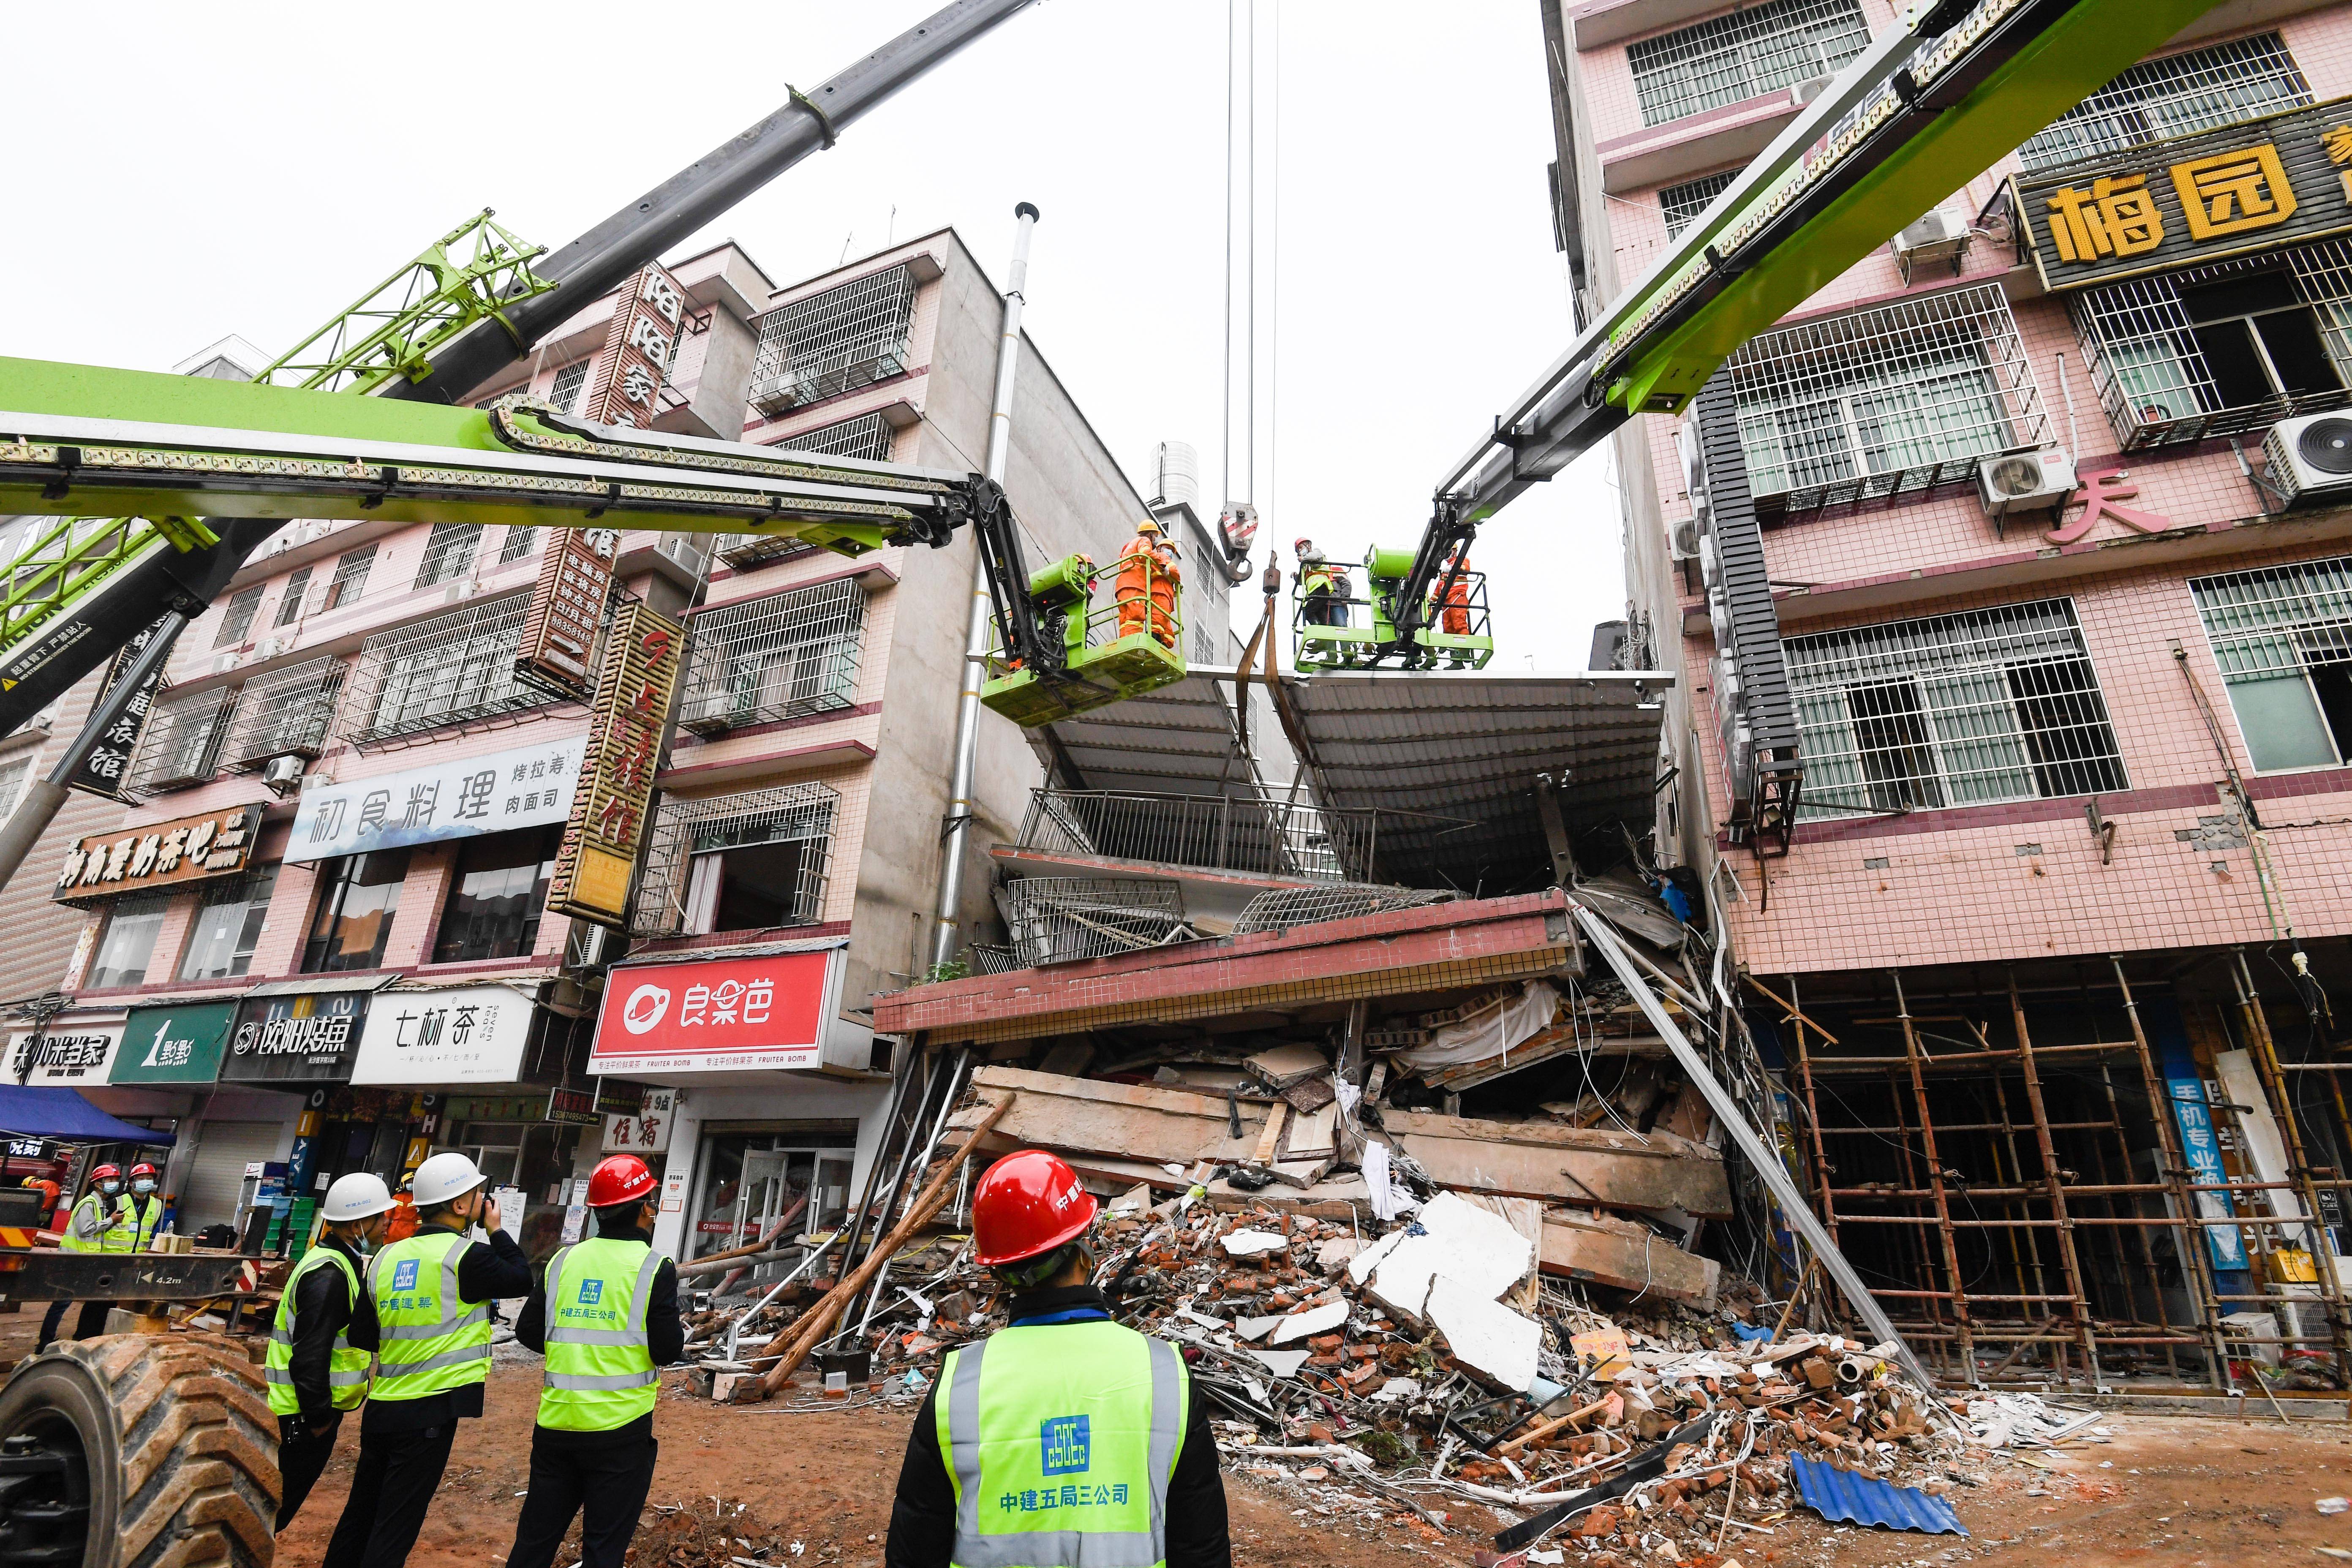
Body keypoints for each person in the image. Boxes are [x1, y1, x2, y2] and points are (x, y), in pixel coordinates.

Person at [884, 1150, 1231, 1568]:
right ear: (1085, 1249)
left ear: (999, 1272)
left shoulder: (961, 1385)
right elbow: (1201, 1548)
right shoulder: (1163, 1374)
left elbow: (915, 1549)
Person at [321, 1152, 532, 1568]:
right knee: (395, 1527)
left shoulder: (385, 1258)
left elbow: (364, 1335)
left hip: (383, 1409)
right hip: (429, 1414)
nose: (481, 1200)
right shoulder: (465, 1256)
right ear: (459, 1205)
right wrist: (496, 1229)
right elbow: (521, 1276)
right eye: (476, 1194)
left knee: (360, 1516)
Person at [503, 1154, 683, 1568]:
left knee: (533, 1544)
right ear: (642, 1209)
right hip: (620, 1431)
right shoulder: (655, 1267)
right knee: (603, 1550)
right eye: (651, 1203)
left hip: (556, 1425)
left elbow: (529, 1331)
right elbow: (667, 1349)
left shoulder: (563, 1260)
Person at [271, 1172, 394, 1532]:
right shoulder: (330, 1275)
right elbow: (310, 1354)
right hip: (302, 1417)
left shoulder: (337, 1262)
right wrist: (320, 1418)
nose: (388, 1223)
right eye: (381, 1216)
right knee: (274, 1510)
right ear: (358, 1223)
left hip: (302, 1412)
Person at [38, 1162, 124, 1351]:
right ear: (98, 1184)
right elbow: (86, 1231)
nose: (113, 1183)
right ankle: (44, 1343)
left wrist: (110, 1222)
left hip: (83, 1262)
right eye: (109, 1180)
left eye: (115, 1180)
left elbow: (95, 1233)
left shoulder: (99, 1204)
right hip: (73, 1261)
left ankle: (58, 1339)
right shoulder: (89, 1203)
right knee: (62, 1303)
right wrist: (111, 1220)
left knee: (66, 1302)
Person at [1113, 518, 1181, 649]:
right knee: (1136, 615)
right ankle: (1133, 645)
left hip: (1123, 585)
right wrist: (1162, 565)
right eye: (1155, 536)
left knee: (1126, 618)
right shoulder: (1144, 541)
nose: (1155, 539)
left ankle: (1125, 643)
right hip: (1136, 584)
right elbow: (1146, 553)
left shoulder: (1129, 545)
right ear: (1150, 534)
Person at [107, 1160, 166, 1252]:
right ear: (131, 1183)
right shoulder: (116, 1202)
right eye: (141, 1179)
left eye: (149, 1178)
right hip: (112, 1256)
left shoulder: (158, 1205)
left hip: (137, 1257)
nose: (146, 1182)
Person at [1295, 538, 1342, 628]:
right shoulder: (1306, 566)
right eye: (1299, 550)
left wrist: (1303, 559)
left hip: (1321, 587)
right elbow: (1301, 581)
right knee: (1321, 614)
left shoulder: (1317, 552)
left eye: (1301, 548)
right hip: (1313, 592)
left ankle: (1318, 631)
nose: (1300, 551)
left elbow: (1314, 557)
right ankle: (1324, 638)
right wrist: (1295, 576)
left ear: (1308, 546)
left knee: (1308, 611)